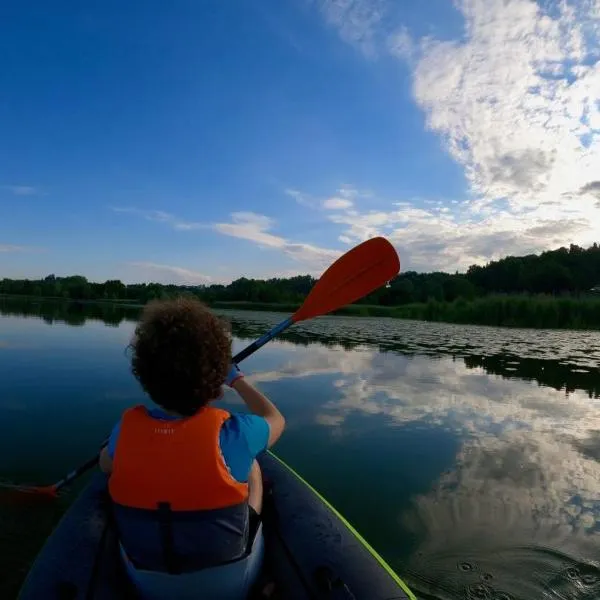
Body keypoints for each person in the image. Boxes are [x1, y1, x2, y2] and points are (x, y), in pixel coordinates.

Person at [98, 297, 285, 599]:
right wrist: (236, 379)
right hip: (230, 585)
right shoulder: (236, 433)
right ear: (215, 378)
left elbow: (105, 466)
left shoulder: (125, 430)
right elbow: (275, 419)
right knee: (251, 465)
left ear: (144, 374)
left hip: (146, 584)